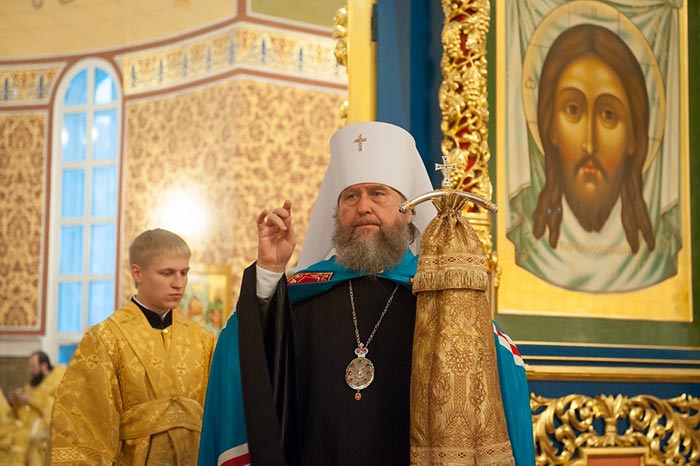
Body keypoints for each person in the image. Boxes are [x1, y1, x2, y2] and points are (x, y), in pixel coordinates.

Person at [199, 121, 535, 466]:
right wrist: (270, 271)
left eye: (377, 194)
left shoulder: (439, 297)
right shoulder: (305, 295)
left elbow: (495, 367)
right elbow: (247, 350)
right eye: (351, 196)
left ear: (409, 211)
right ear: (337, 212)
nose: (363, 207)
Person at [508, 23, 680, 293]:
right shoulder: (519, 235)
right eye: (573, 109)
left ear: (634, 137)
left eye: (609, 115)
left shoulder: (663, 254)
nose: (590, 143)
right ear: (550, 128)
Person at [50, 228, 215, 466]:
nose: (179, 283)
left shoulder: (202, 340)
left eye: (184, 272)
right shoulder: (106, 338)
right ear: (137, 273)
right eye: (167, 273)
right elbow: (83, 429)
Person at [0, 351, 65, 466]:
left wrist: (31, 399)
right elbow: (24, 405)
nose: (30, 370)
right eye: (29, 366)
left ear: (43, 366)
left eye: (33, 367)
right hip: (25, 422)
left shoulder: (58, 381)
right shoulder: (35, 381)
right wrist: (16, 400)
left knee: (31, 438)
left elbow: (57, 407)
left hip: (46, 424)